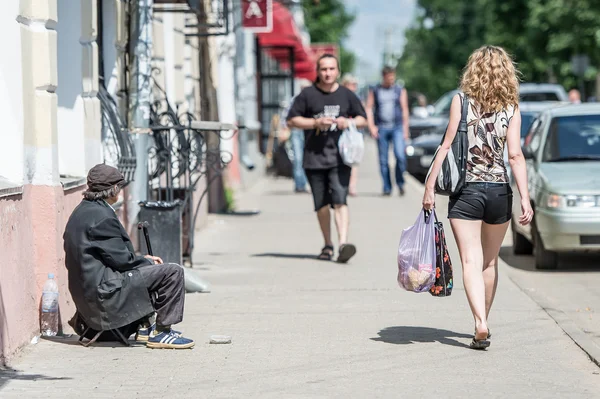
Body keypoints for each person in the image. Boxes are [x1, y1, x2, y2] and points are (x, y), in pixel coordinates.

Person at [423, 45, 534, 350]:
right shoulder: (512, 107)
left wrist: (429, 186)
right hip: (500, 192)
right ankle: (485, 320)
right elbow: (515, 155)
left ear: (472, 70)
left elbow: (446, 145)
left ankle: (479, 323)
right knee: (489, 262)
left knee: (470, 261)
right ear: (506, 72)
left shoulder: (461, 101)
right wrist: (525, 198)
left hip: (466, 192)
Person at [63, 164, 195, 349]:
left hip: (91, 295)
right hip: (104, 296)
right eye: (120, 187)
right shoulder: (102, 217)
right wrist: (147, 260)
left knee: (147, 269)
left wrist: (144, 261)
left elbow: (113, 257)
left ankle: (144, 328)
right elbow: (123, 261)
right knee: (172, 272)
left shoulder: (80, 212)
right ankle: (162, 332)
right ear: (114, 189)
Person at [287, 54, 368, 263]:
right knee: (322, 205)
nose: (328, 73)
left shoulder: (346, 95)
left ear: (337, 71)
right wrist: (316, 123)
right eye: (324, 69)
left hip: (341, 157)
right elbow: (292, 120)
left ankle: (343, 244)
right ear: (318, 71)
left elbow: (363, 119)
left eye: (331, 69)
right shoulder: (307, 95)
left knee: (340, 200)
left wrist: (346, 122)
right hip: (314, 158)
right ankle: (327, 244)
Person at [366, 66, 410, 196]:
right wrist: (371, 126)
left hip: (397, 127)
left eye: (393, 76)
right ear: (384, 76)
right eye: (389, 76)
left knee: (400, 156)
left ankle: (400, 183)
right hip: (382, 128)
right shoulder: (375, 90)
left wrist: (405, 129)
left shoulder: (399, 90)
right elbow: (368, 108)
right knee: (383, 160)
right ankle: (387, 187)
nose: (391, 79)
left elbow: (405, 109)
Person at [341, 73, 362, 196]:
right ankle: (344, 183)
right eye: (352, 84)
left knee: (354, 159)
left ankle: (352, 186)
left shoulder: (356, 98)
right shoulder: (340, 97)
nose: (354, 87)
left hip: (353, 132)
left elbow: (362, 115)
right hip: (341, 131)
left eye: (355, 85)